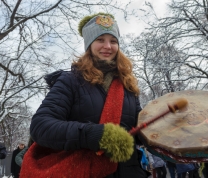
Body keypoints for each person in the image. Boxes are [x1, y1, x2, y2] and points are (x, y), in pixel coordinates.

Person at [22, 12, 148, 178]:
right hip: (83, 171)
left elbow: (138, 130)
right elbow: (41, 126)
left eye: (113, 41)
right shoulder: (70, 81)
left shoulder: (128, 86)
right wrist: (93, 134)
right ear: (89, 44)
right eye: (100, 40)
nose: (108, 46)